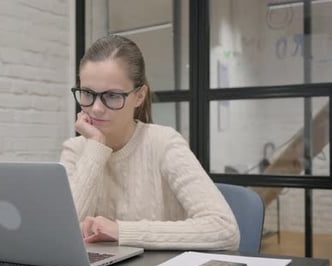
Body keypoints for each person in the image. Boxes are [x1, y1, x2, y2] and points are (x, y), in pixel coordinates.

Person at [60, 35, 240, 250]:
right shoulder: (76, 149)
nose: (96, 108)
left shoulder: (163, 143)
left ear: (139, 96)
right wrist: (96, 147)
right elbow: (59, 232)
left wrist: (121, 231)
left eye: (113, 96)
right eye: (87, 94)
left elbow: (224, 229)